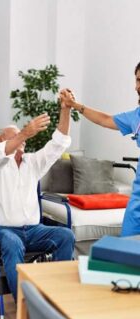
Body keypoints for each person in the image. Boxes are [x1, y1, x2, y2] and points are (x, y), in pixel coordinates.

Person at [0, 90, 75, 301]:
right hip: (4, 231)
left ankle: (59, 298)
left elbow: (58, 144)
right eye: (15, 135)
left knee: (65, 236)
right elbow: (0, 154)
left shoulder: (32, 162)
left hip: (34, 230)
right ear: (0, 140)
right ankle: (28, 308)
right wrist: (25, 132)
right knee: (13, 244)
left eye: (22, 136)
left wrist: (66, 110)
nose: (22, 138)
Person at [62, 62, 140, 237]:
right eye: (136, 81)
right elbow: (105, 119)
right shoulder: (136, 116)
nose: (136, 87)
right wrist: (74, 105)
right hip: (138, 200)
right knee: (128, 246)